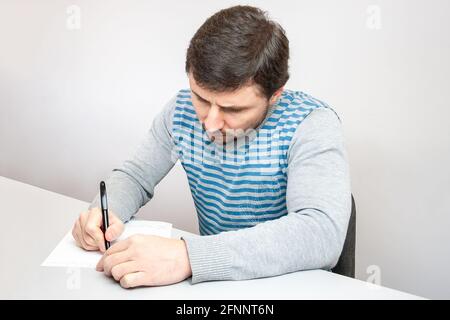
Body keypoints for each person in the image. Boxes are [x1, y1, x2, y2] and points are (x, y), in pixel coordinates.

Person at [72, 5, 351, 289]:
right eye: (202, 99)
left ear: (275, 94)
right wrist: (105, 213)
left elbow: (321, 232)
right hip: (216, 283)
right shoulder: (181, 111)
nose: (211, 123)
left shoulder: (312, 124)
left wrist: (188, 256)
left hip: (289, 286)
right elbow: (135, 176)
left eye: (233, 108)